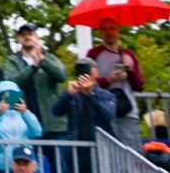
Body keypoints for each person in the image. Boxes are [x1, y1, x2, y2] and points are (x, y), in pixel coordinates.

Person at [2, 24, 67, 168]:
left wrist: (43, 61)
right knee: (27, 167)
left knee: (59, 166)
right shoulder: (12, 61)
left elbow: (62, 76)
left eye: (30, 33)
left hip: (53, 124)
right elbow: (11, 82)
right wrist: (33, 67)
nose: (27, 37)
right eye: (23, 34)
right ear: (19, 39)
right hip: (26, 125)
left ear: (36, 37)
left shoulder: (49, 57)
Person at [87, 16, 146, 150]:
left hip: (127, 112)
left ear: (118, 30)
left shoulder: (128, 55)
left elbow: (141, 86)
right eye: (105, 29)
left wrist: (130, 70)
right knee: (106, 153)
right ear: (100, 32)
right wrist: (108, 79)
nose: (109, 32)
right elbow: (87, 81)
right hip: (102, 111)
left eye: (112, 28)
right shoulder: (94, 54)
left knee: (132, 154)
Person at [50, 57, 114, 173]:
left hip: (99, 150)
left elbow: (108, 115)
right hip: (75, 150)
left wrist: (89, 95)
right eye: (80, 69)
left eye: (86, 68)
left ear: (96, 72)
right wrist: (68, 95)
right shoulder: (72, 93)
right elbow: (56, 111)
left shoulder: (106, 95)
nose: (83, 72)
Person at [0, 82, 42, 173]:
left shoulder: (25, 114)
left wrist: (25, 113)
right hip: (1, 165)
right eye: (4, 95)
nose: (7, 98)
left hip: (24, 164)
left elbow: (37, 132)